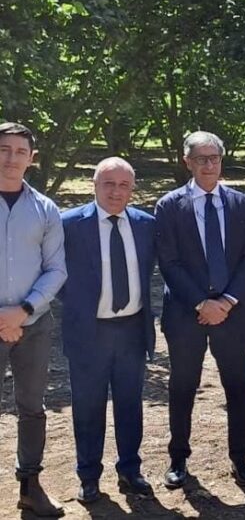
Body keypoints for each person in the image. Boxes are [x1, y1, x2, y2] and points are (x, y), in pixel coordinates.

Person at [155, 131, 245, 489]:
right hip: (186, 314)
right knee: (183, 386)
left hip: (231, 314)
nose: (209, 164)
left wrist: (227, 302)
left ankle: (241, 458)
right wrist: (202, 303)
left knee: (236, 384)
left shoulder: (240, 203)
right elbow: (168, 262)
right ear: (188, 162)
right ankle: (178, 458)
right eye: (201, 158)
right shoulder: (169, 205)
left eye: (214, 157)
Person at [60, 157, 156, 503]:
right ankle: (88, 476)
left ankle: (130, 471)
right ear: (94, 184)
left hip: (132, 329)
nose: (116, 191)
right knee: (88, 407)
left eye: (124, 185)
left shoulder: (146, 224)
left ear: (132, 188)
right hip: (89, 332)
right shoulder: (69, 224)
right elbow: (54, 272)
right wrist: (77, 304)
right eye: (109, 184)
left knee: (130, 405)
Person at [0, 122, 67, 518]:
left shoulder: (46, 209)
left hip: (34, 323)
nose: (11, 158)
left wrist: (21, 312)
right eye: (3, 149)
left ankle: (30, 485)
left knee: (32, 407)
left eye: (19, 152)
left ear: (32, 159)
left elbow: (56, 269)